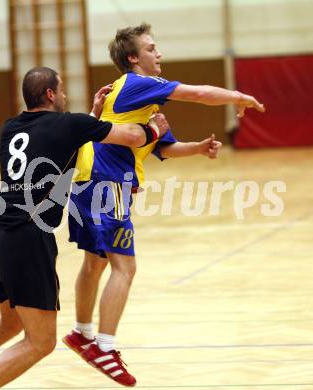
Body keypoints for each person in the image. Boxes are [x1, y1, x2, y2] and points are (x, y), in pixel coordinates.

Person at [0, 66, 166, 390]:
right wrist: (153, 130)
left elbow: (61, 144)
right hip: (27, 237)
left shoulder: (9, 128)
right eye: (62, 89)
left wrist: (93, 115)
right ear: (51, 94)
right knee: (41, 342)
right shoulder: (70, 125)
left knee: (8, 324)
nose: (66, 95)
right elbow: (132, 137)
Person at [63, 23, 265, 387]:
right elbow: (200, 94)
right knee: (125, 268)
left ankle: (82, 333)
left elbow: (163, 148)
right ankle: (104, 347)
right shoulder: (138, 84)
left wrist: (199, 148)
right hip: (107, 181)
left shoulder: (139, 100)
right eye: (152, 48)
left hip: (87, 178)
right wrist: (237, 96)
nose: (159, 54)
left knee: (95, 263)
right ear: (133, 59)